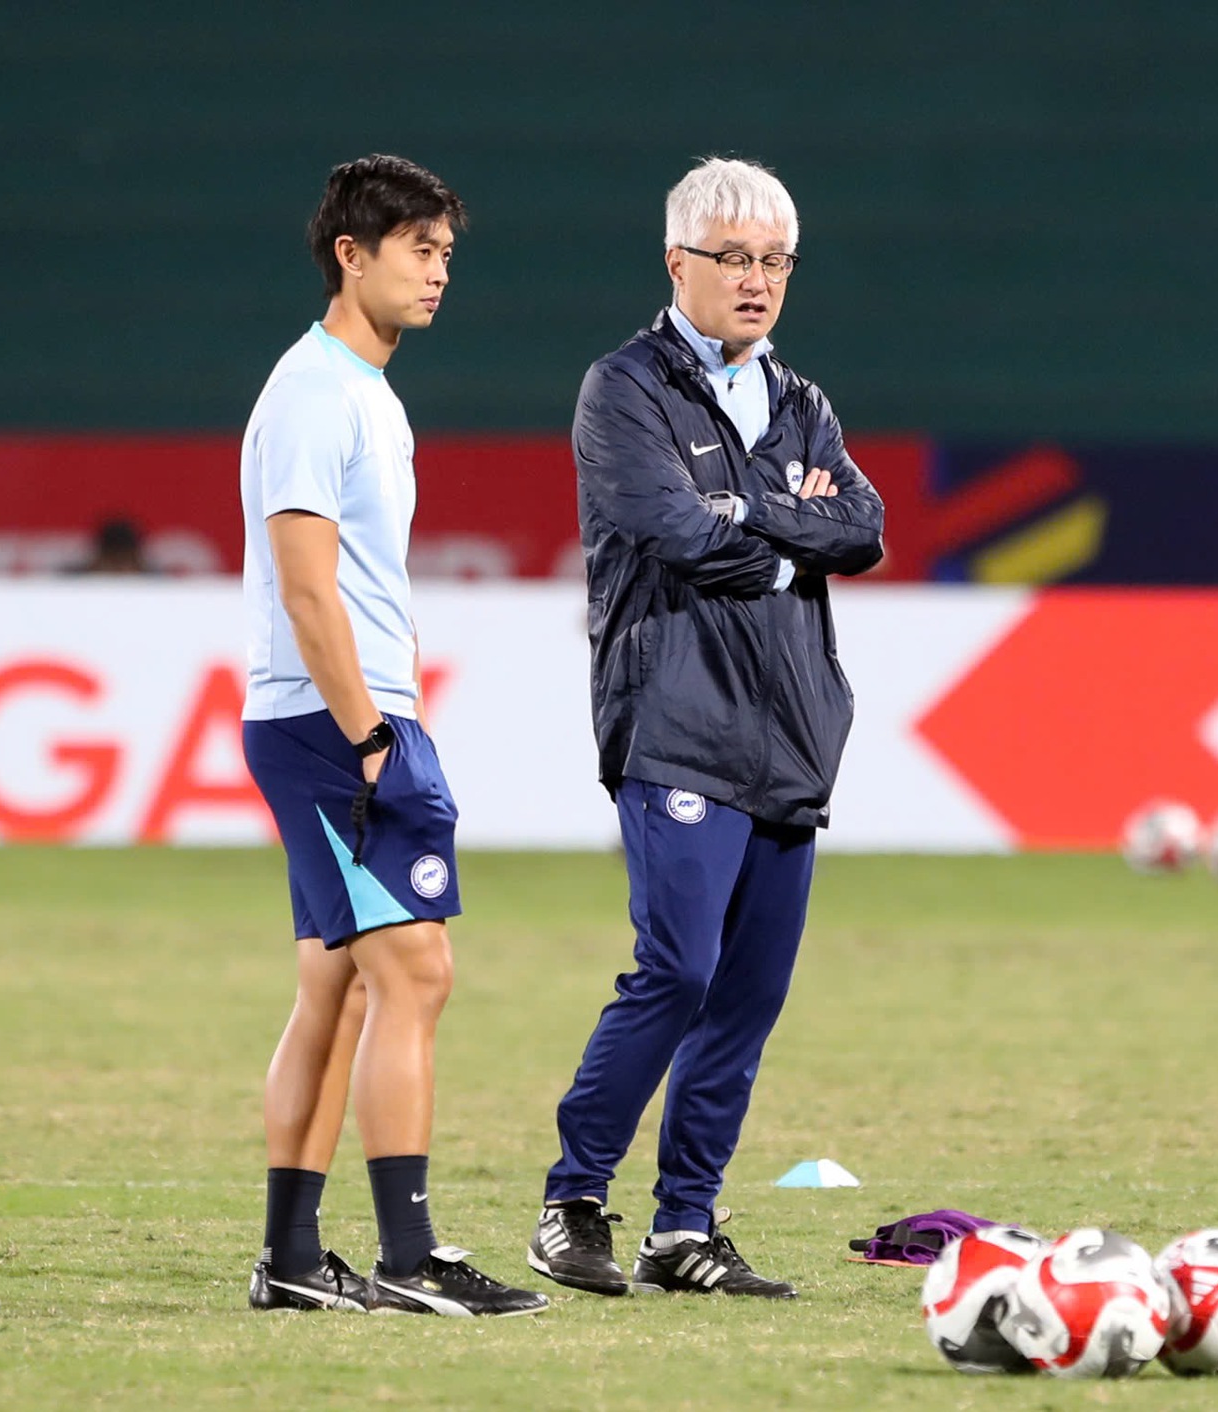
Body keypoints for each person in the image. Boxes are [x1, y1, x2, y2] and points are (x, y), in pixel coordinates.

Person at [527, 158, 885, 1299]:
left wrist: (755, 516)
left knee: (747, 993)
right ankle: (570, 1199)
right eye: (733, 258)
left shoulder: (801, 399)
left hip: (787, 728)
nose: (757, 279)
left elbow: (866, 527)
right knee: (675, 969)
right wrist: (788, 533)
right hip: (674, 713)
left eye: (775, 260)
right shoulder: (623, 387)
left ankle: (684, 1224)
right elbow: (670, 529)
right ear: (676, 262)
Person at [239, 154, 546, 1318]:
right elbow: (307, 587)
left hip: (339, 717)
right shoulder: (316, 392)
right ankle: (410, 1256)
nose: (436, 272)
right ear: (347, 255)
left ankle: (290, 1257)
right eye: (415, 249)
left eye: (445, 253)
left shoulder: (359, 390)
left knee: (344, 986)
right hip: (334, 723)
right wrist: (370, 736)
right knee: (415, 969)